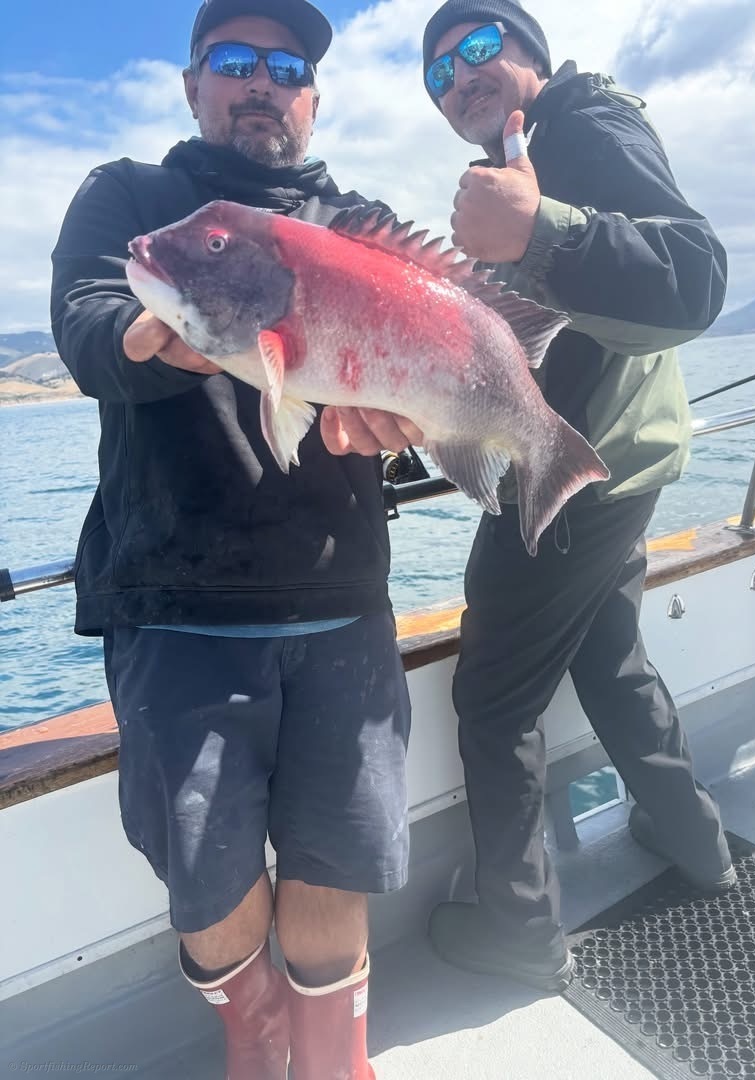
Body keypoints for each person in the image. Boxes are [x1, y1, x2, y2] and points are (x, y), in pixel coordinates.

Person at [324, 0, 736, 992]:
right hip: (624, 462)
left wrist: (535, 229)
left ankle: (518, 926)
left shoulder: (581, 124)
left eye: (477, 48)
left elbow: (694, 276)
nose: (457, 76)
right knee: (610, 658)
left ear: (530, 54)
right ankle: (697, 842)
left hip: (573, 482)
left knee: (493, 696)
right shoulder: (532, 146)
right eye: (437, 72)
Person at [50, 2, 413, 1076]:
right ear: (193, 84)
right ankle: (254, 1041)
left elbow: (400, 380)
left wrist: (408, 423)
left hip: (345, 601)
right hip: (178, 605)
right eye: (237, 60)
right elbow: (84, 325)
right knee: (207, 882)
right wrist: (158, 335)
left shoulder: (360, 225)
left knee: (335, 865)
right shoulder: (133, 200)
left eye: (288, 68)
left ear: (314, 99)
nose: (264, 83)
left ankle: (333, 1061)